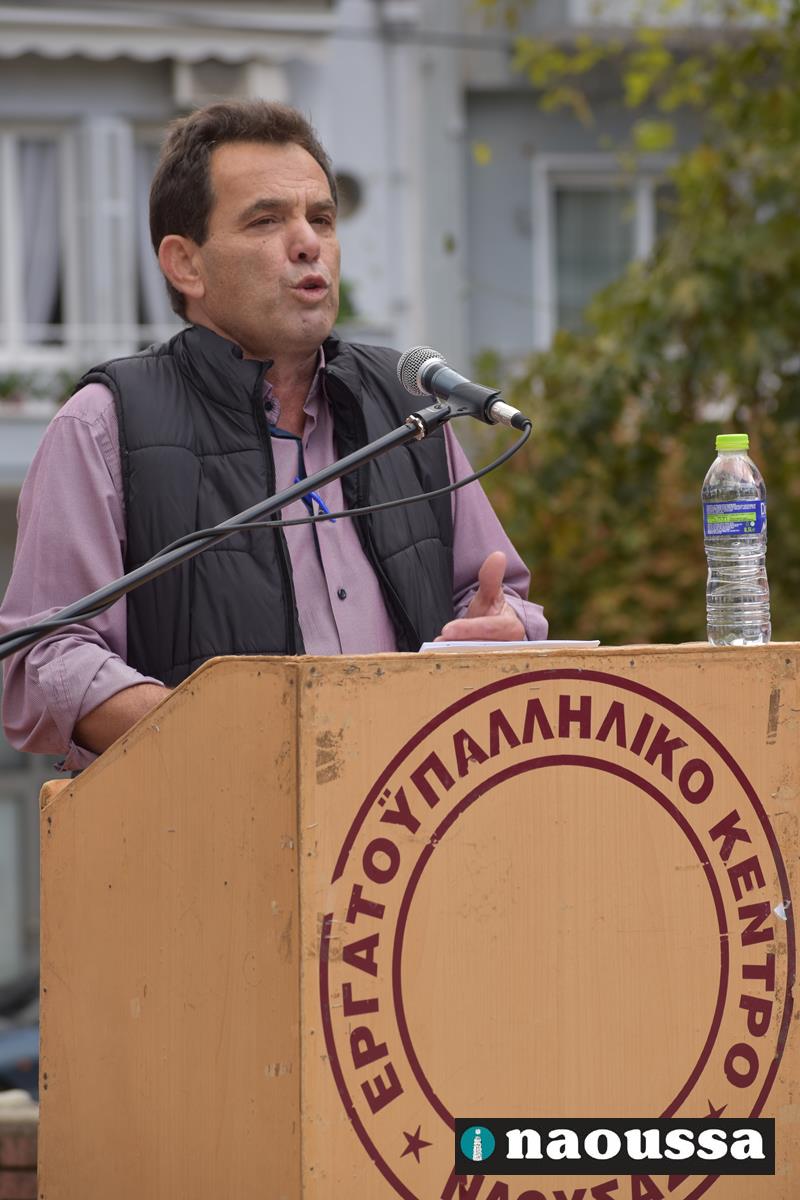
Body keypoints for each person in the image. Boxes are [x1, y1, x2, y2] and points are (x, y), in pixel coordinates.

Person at [0, 100, 546, 773]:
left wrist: (503, 625)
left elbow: (499, 600)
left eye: (322, 218)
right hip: (209, 818)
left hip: (408, 821)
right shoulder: (105, 424)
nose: (308, 243)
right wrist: (217, 741)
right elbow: (46, 657)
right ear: (186, 264)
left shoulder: (408, 408)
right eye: (265, 221)